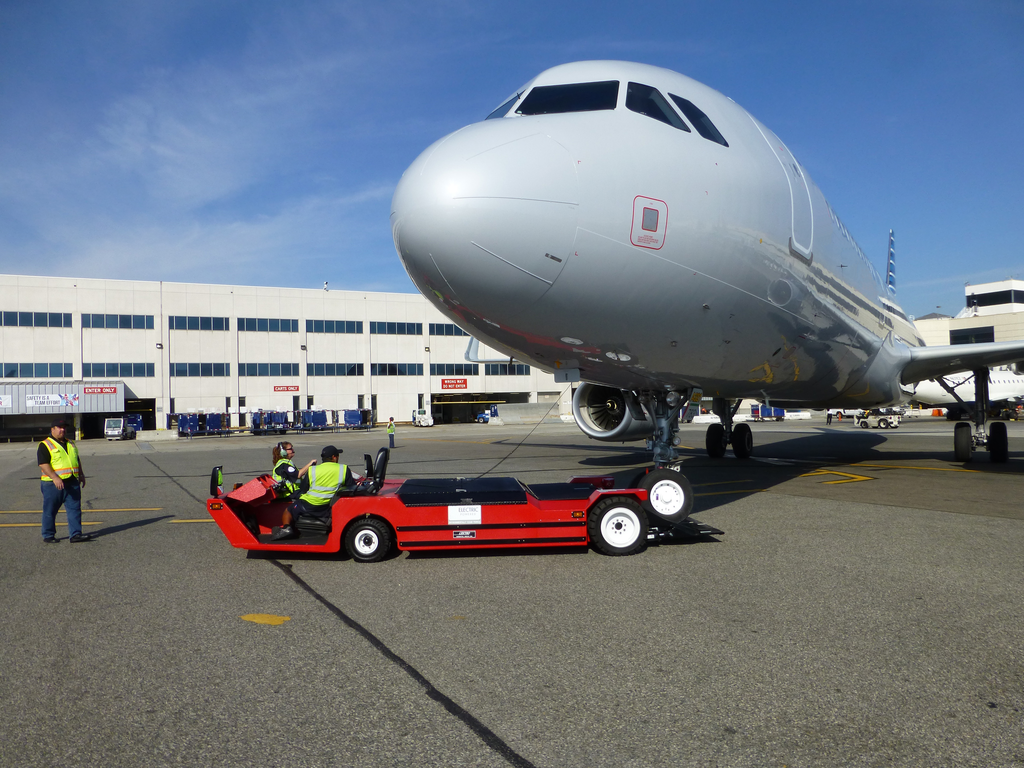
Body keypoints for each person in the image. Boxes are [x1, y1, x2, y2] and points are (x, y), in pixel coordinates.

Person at [272, 445, 356, 540]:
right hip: (327, 506)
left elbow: (303, 489)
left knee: (288, 510)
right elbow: (351, 488)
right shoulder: (343, 469)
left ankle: (287, 528)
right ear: (334, 457)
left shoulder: (313, 470)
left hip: (309, 504)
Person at [38, 417, 93, 544]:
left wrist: (81, 474)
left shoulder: (71, 443)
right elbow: (43, 464)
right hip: (52, 484)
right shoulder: (45, 445)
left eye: (64, 428)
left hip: (72, 481)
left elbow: (76, 459)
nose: (63, 430)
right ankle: (48, 535)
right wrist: (55, 478)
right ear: (53, 429)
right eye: (60, 428)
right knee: (50, 510)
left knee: (74, 509)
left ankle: (75, 534)